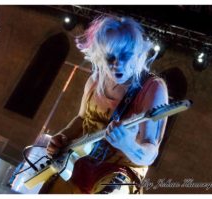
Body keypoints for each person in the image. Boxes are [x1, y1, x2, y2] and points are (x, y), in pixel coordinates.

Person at [45, 15, 168, 194]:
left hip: (120, 172)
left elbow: (150, 154)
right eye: (110, 57)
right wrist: (62, 137)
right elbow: (82, 118)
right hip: (78, 163)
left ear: (138, 54)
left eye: (126, 56)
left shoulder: (152, 89)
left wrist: (126, 144)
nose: (117, 64)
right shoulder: (95, 80)